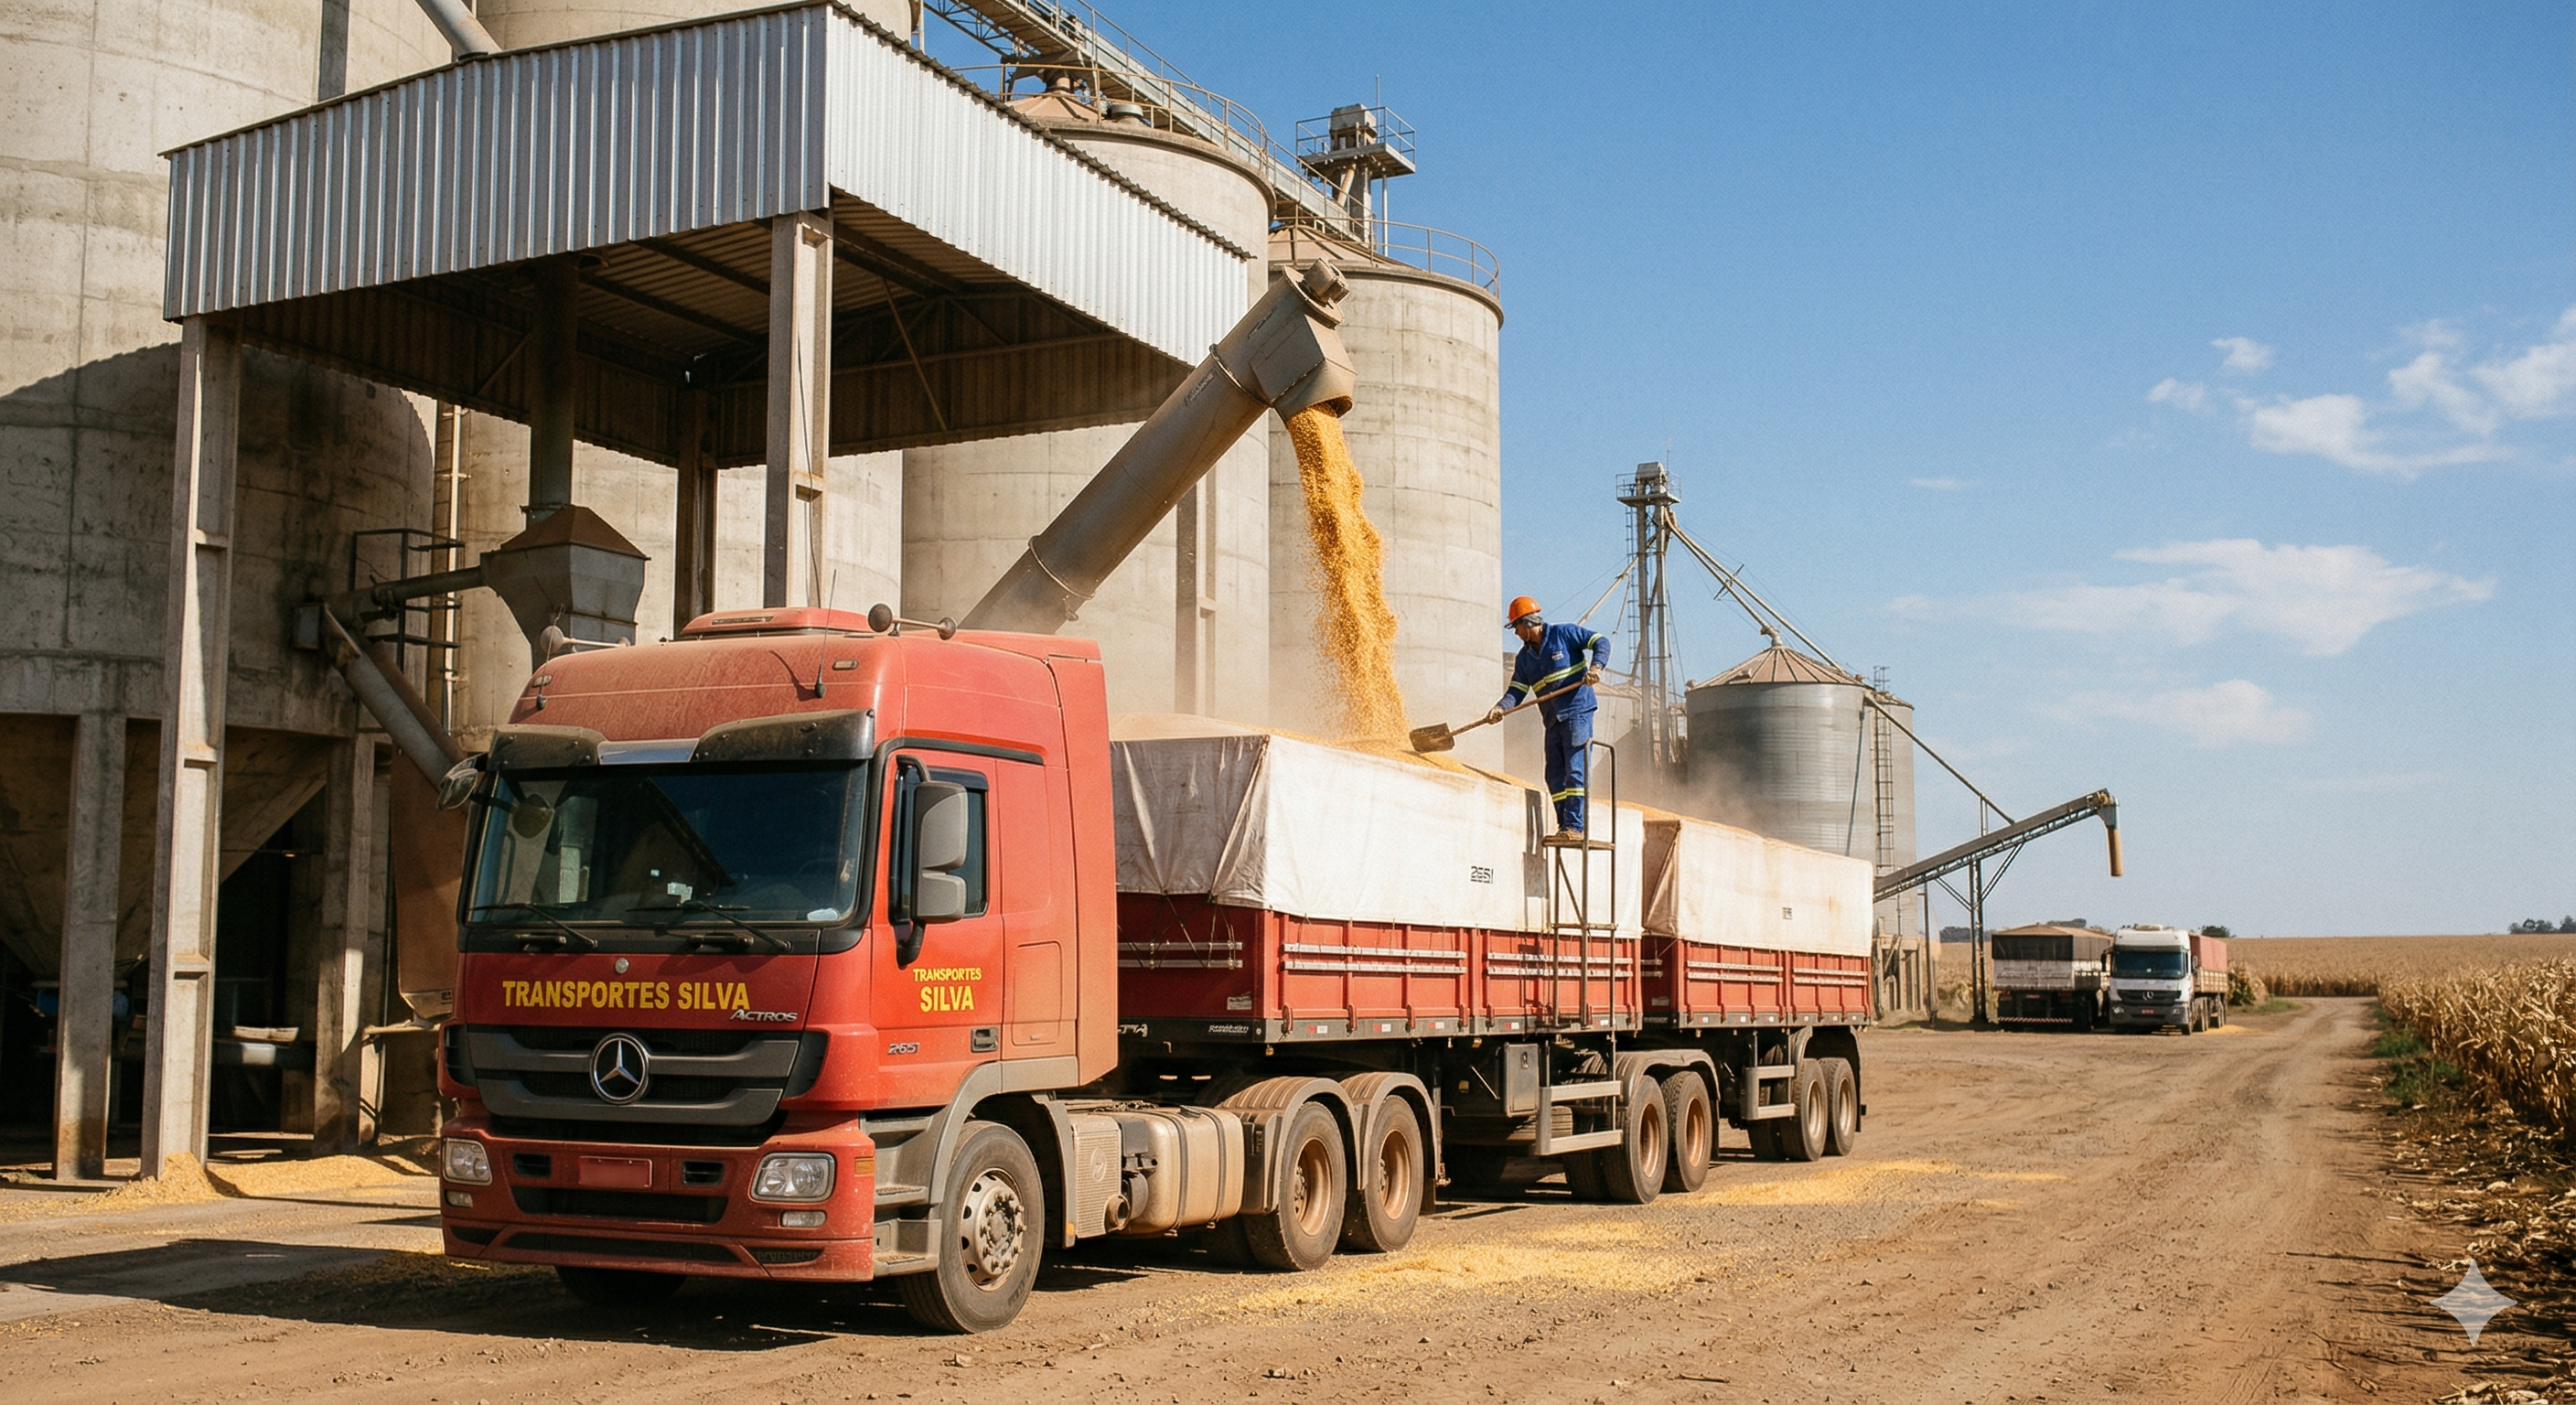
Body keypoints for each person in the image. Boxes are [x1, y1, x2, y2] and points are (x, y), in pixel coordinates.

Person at [1488, 595, 1610, 838]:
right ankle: (1564, 825)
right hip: (1552, 720)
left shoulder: (1565, 634)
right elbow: (1517, 690)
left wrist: (1596, 667)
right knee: (1554, 775)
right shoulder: (1524, 659)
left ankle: (1575, 827)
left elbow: (1600, 641)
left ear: (1528, 622)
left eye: (1516, 627)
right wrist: (1501, 707)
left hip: (1577, 711)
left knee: (1575, 770)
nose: (1515, 633)